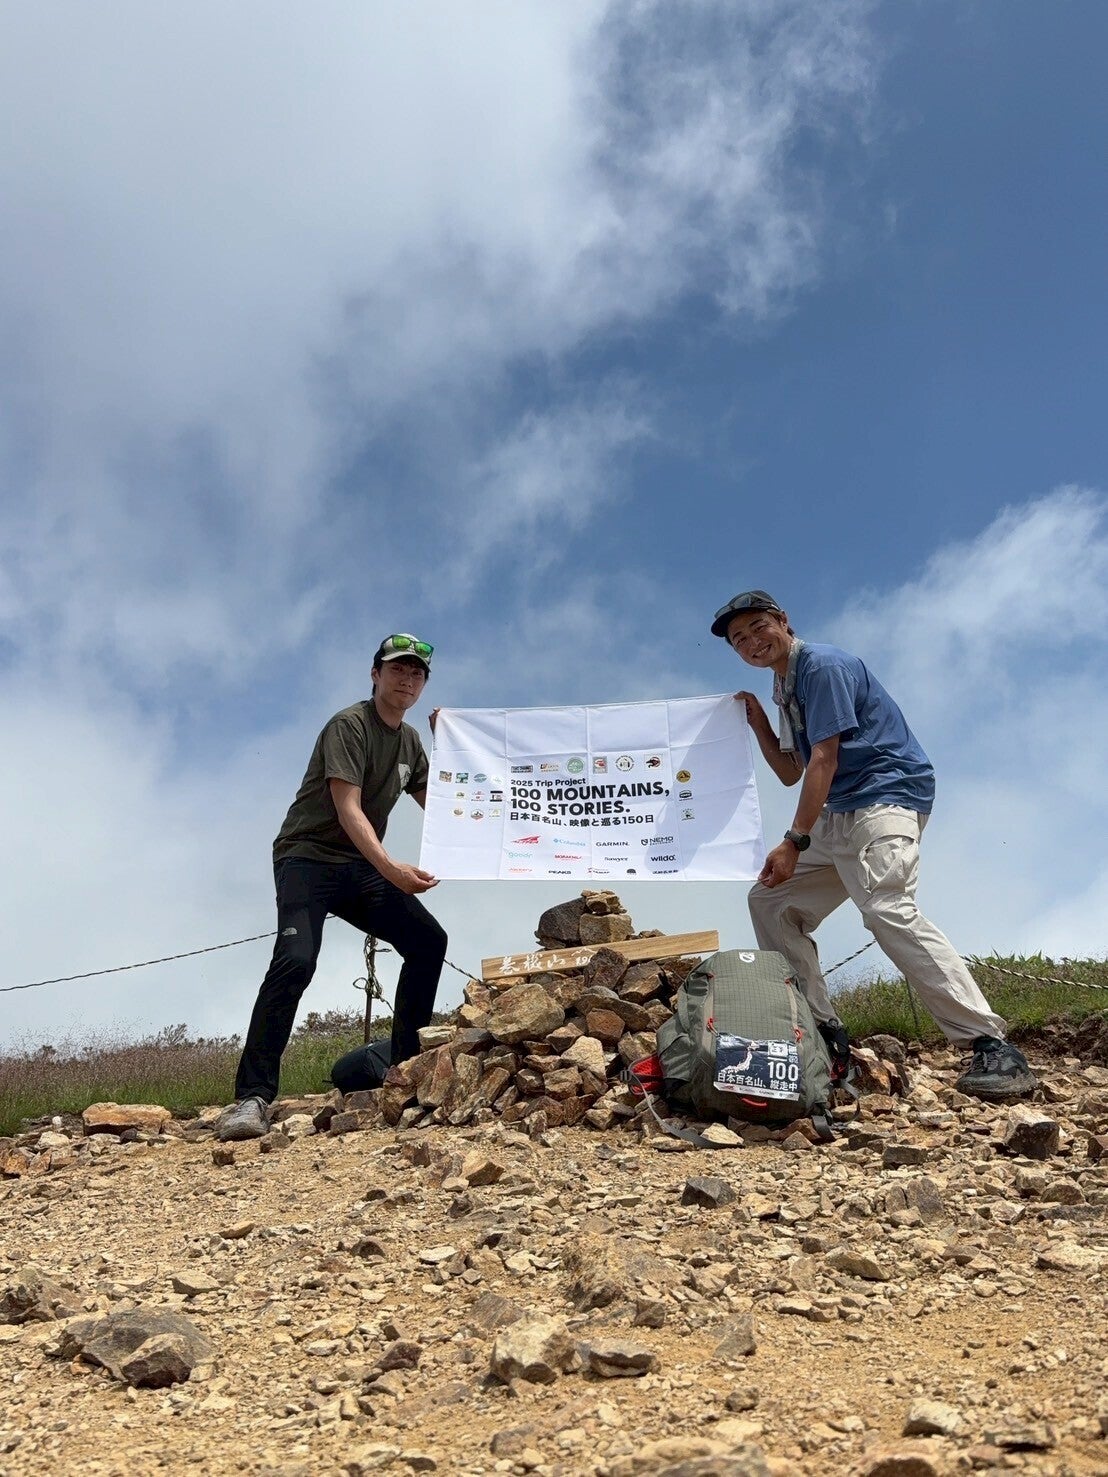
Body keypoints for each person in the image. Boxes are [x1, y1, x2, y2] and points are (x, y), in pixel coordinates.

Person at [711, 590, 1036, 1103]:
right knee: (770, 900)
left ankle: (990, 1044)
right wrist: (759, 724)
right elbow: (791, 770)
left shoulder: (822, 667)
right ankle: (823, 1034)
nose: (751, 641)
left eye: (758, 627)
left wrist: (794, 840)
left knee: (886, 906)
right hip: (840, 809)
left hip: (886, 795)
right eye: (739, 639)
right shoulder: (783, 685)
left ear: (784, 620)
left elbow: (824, 759)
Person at [216, 633, 447, 1141]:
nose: (407, 680)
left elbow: (445, 806)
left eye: (417, 673)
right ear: (375, 674)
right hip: (307, 858)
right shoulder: (350, 725)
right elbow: (347, 808)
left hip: (359, 865)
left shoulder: (411, 742)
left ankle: (404, 1072)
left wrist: (450, 748)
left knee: (428, 941)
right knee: (296, 961)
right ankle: (251, 1098)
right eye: (397, 669)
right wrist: (391, 869)